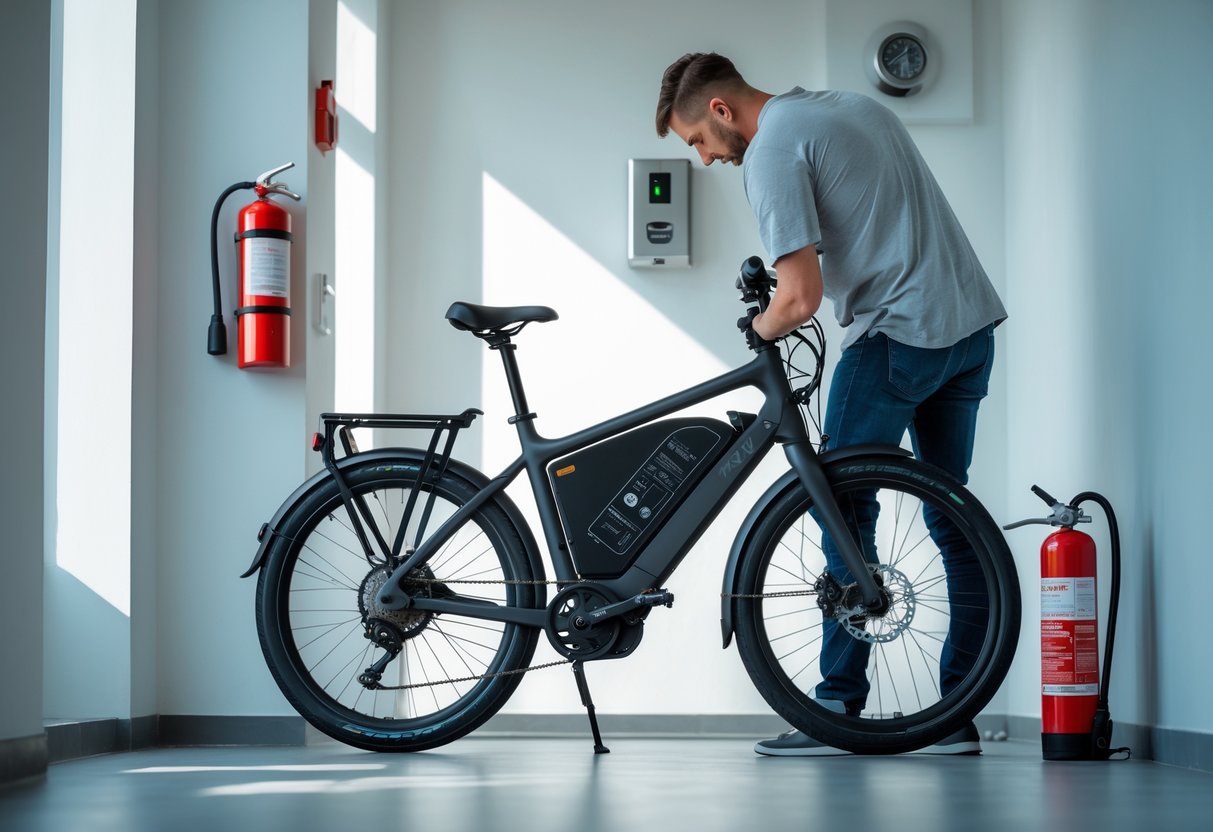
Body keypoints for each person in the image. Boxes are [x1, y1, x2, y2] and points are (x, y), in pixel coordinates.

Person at [656, 53, 1006, 756]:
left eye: (697, 139)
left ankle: (836, 707)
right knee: (955, 518)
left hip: (897, 339)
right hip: (968, 331)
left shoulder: (772, 149)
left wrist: (757, 329)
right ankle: (955, 717)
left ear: (720, 110)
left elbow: (798, 299)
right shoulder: (850, 106)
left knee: (840, 508)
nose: (703, 158)